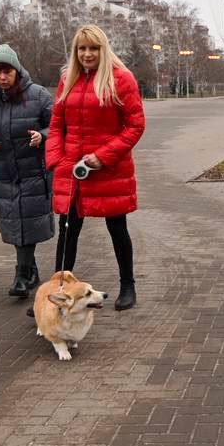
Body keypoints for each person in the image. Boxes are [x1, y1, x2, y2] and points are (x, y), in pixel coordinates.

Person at [44, 24, 146, 311]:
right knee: (68, 231)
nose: (87, 54)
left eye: (93, 48)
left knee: (117, 228)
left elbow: (136, 126)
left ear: (103, 49)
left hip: (109, 169)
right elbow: (56, 124)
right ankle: (58, 291)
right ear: (75, 51)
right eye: (82, 48)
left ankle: (128, 286)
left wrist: (102, 156)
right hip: (73, 171)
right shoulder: (68, 79)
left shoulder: (121, 79)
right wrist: (57, 160)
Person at [0, 44, 55, 299]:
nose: (2, 77)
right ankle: (30, 270)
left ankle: (21, 275)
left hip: (33, 171)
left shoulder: (38, 95)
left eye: (6, 72)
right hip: (1, 172)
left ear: (17, 71)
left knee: (27, 221)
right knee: (14, 223)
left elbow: (58, 126)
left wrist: (42, 136)